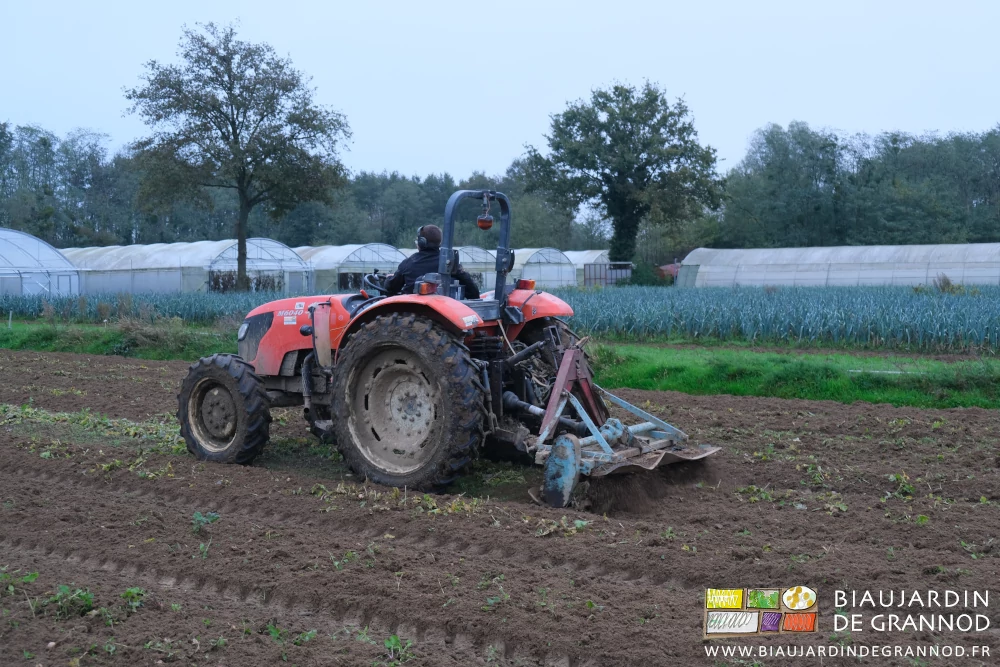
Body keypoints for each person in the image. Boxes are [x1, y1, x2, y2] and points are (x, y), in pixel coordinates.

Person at [384, 224, 481, 299]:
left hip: (413, 313)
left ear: (421, 242)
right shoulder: (450, 265)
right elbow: (474, 293)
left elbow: (391, 288)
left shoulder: (408, 263)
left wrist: (389, 279)